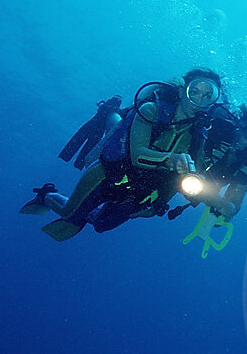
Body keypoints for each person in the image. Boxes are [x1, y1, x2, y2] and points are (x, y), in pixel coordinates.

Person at [21, 68, 226, 240]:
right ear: (182, 91)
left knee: (101, 226)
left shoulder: (199, 136)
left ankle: (85, 214)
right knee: (68, 213)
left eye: (208, 96)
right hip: (108, 174)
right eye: (195, 91)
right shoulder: (150, 110)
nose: (198, 100)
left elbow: (192, 175)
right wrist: (170, 160)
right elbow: (137, 155)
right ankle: (46, 194)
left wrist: (160, 203)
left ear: (212, 102)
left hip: (137, 190)